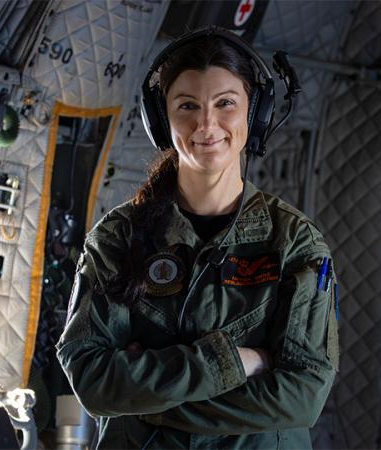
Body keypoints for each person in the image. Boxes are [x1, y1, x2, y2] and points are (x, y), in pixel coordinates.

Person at [56, 27, 339, 450]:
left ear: (254, 114)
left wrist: (148, 400)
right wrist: (238, 363)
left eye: (225, 103)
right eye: (187, 105)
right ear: (161, 119)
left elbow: (301, 397)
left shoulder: (295, 243)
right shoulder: (117, 239)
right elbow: (93, 380)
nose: (206, 124)